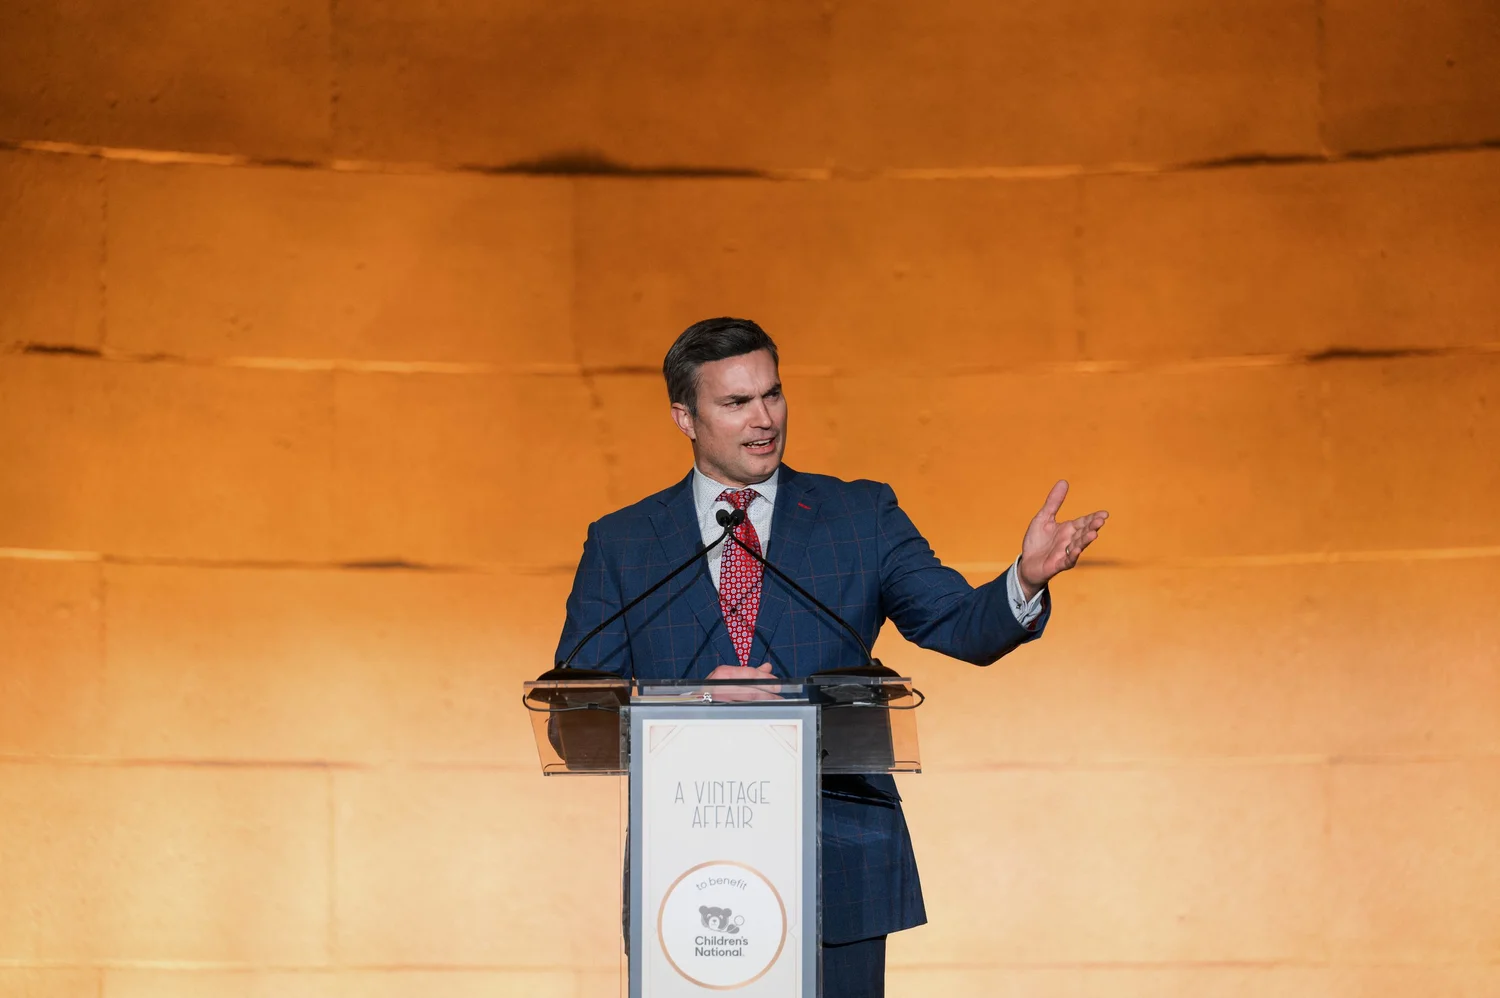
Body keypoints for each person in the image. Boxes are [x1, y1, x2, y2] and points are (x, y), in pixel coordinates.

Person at [554, 317, 1108, 996]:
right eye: (735, 403)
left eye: (773, 395)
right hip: (688, 871)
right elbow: (574, 719)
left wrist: (1023, 579)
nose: (764, 420)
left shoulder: (859, 516)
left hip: (836, 858)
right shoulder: (623, 543)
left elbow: (962, 625)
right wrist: (693, 706)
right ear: (685, 417)